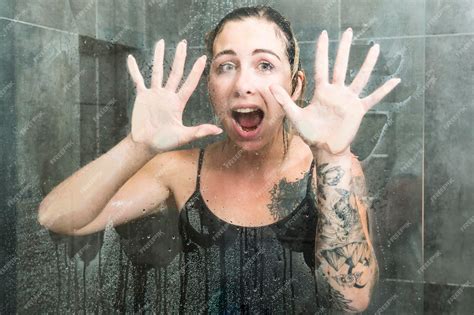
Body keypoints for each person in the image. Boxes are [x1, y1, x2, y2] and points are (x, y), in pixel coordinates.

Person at [38, 5, 400, 313]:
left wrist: (331, 156)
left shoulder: (329, 170)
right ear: (210, 86)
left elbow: (352, 299)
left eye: (265, 65)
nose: (243, 84)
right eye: (226, 66)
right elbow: (57, 217)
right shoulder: (178, 171)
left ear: (296, 85)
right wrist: (137, 146)